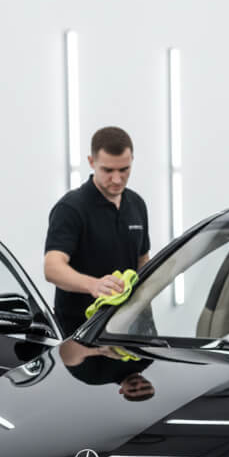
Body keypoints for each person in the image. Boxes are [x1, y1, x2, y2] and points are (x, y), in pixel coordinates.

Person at [44, 126, 150, 336]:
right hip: (81, 333)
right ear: (92, 163)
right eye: (108, 171)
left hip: (128, 329)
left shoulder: (137, 204)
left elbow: (143, 260)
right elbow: (52, 267)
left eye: (124, 169)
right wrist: (94, 285)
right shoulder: (71, 208)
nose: (117, 179)